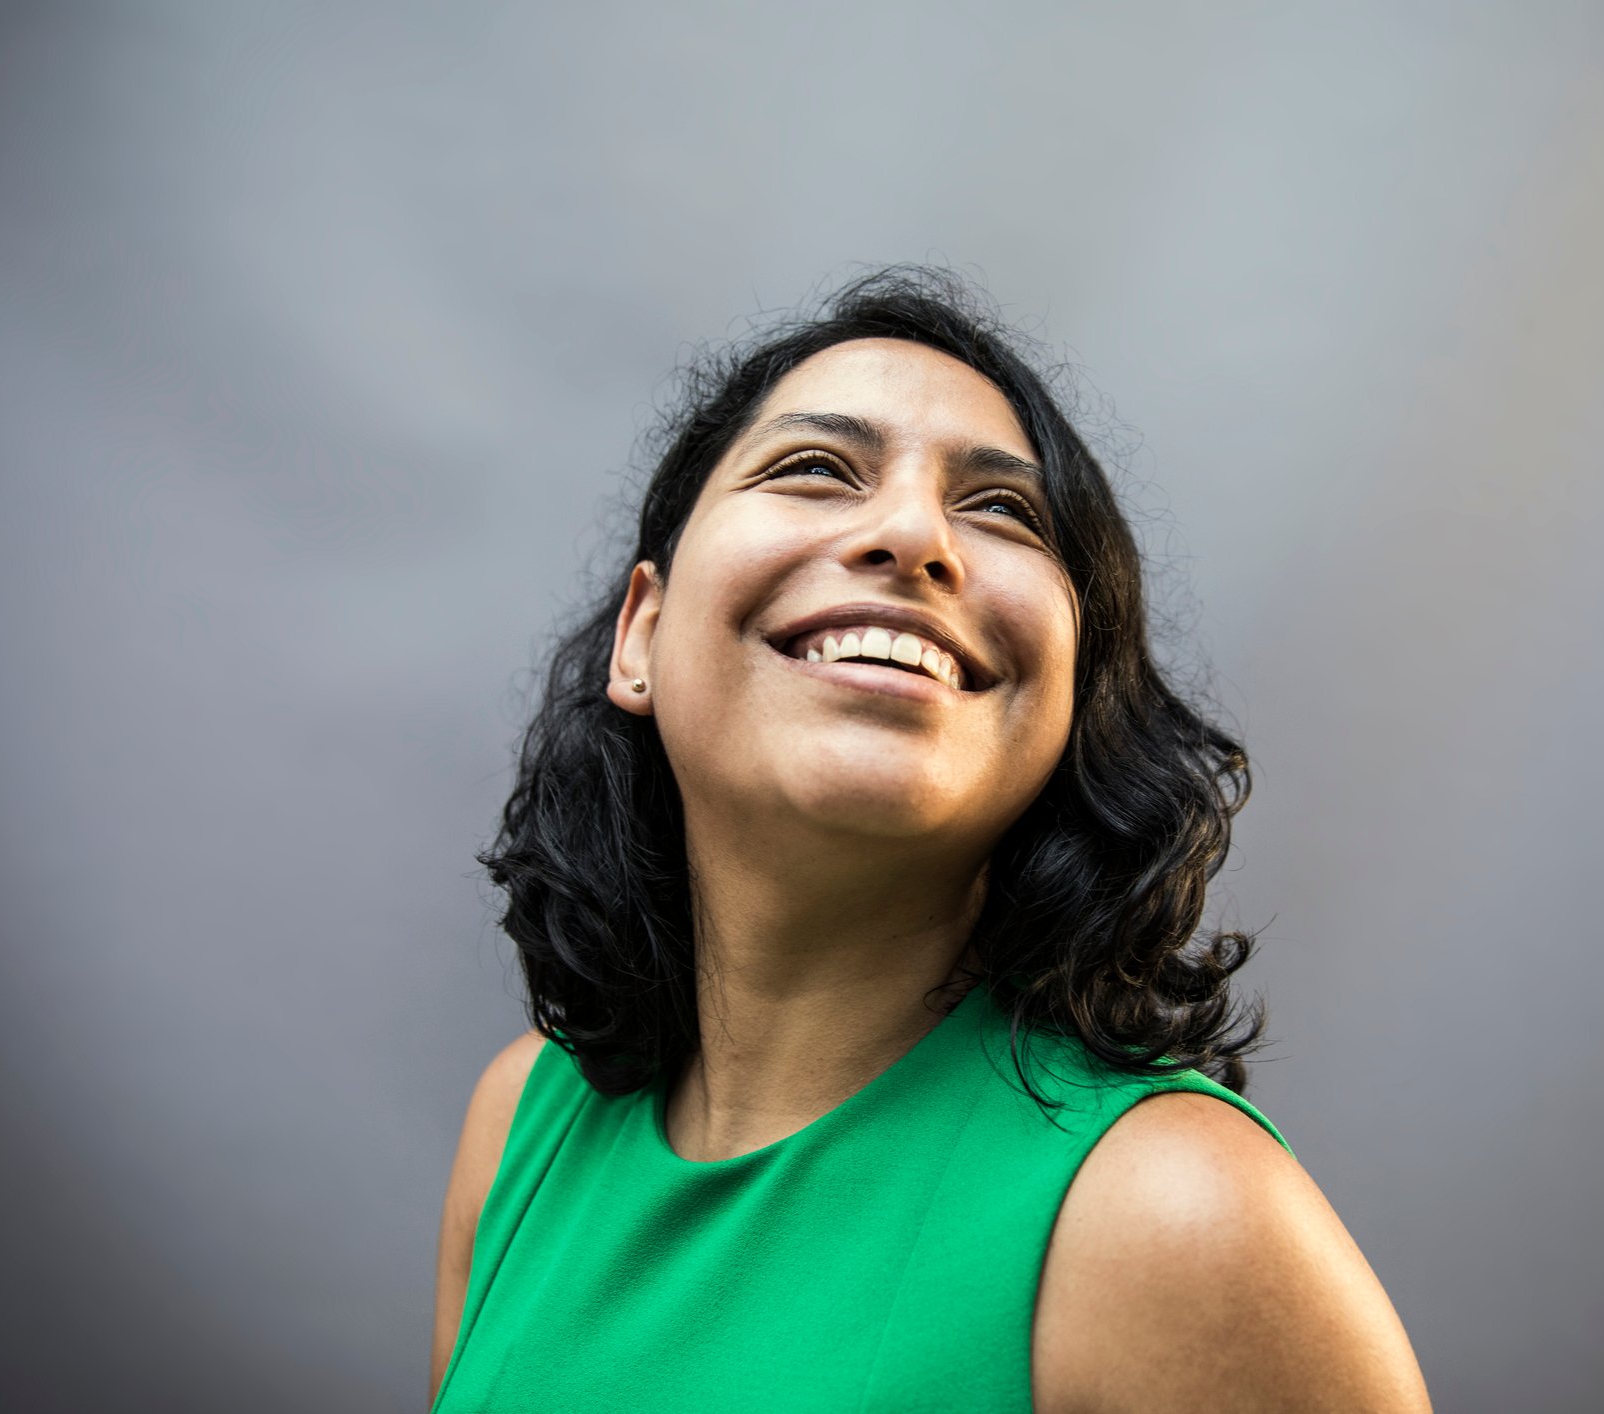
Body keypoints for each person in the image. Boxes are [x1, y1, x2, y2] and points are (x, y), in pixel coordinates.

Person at [428, 267, 1432, 1412]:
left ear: (1069, 699)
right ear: (642, 635)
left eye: (1003, 510)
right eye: (814, 468)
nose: (912, 534)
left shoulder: (1176, 1216)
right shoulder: (520, 1125)